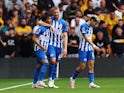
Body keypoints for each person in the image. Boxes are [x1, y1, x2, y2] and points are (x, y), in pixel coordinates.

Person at [70, 17, 100, 88]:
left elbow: (89, 38)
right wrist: (94, 45)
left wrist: (92, 46)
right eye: (95, 23)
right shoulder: (83, 26)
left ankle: (91, 83)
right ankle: (73, 78)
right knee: (82, 66)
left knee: (91, 65)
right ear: (92, 20)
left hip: (89, 48)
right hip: (83, 48)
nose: (95, 25)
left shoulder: (91, 27)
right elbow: (86, 37)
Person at [47, 7, 68, 88]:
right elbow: (40, 22)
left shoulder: (63, 23)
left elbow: (65, 35)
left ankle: (51, 79)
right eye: (55, 12)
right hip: (50, 44)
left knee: (56, 63)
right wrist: (50, 25)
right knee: (53, 60)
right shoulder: (49, 19)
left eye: (58, 12)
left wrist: (65, 48)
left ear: (60, 13)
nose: (56, 14)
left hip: (59, 46)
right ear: (52, 13)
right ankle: (50, 79)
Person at [32, 13, 52, 88]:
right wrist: (41, 46)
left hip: (43, 49)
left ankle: (34, 84)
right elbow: (33, 38)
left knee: (39, 66)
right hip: (39, 49)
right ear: (45, 20)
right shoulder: (41, 28)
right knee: (46, 63)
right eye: (49, 18)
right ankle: (40, 81)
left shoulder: (48, 28)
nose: (50, 20)